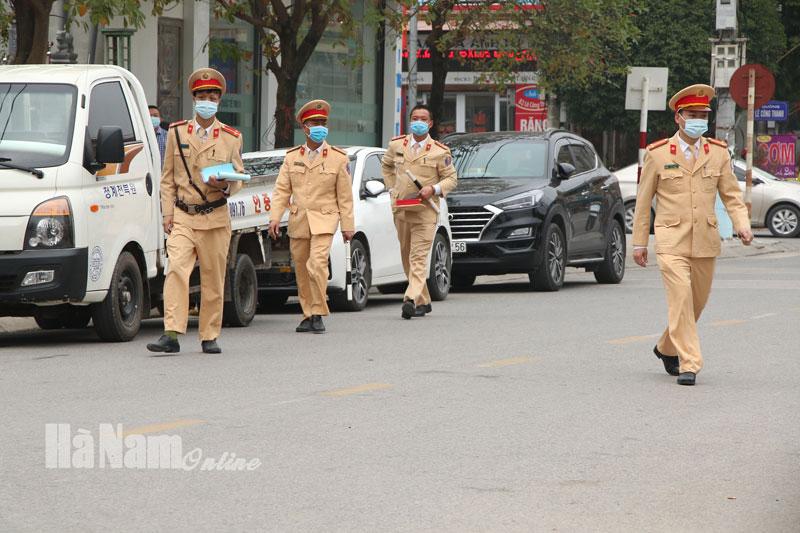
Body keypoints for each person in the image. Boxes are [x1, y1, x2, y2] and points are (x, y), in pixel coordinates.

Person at [631, 84, 754, 386]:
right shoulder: (658, 155)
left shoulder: (717, 153)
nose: (699, 119)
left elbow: (731, 195)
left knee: (695, 303)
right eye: (693, 114)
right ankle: (690, 363)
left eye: (703, 114)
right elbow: (644, 201)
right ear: (679, 118)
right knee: (681, 298)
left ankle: (665, 347)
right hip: (670, 240)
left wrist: (742, 223)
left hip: (705, 241)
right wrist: (638, 242)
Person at [147, 68, 245, 354]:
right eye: (202, 95)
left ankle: (209, 334)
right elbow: (167, 178)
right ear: (194, 98)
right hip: (184, 216)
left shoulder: (231, 137)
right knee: (175, 269)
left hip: (214, 216)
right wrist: (167, 215)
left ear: (219, 101)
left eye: (212, 96)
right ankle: (172, 333)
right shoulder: (176, 132)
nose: (207, 100)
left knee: (213, 278)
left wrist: (225, 184)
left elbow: (239, 175)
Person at [268, 99, 355, 334]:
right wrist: (274, 218)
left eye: (323, 122)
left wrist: (348, 226)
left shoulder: (338, 157)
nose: (320, 126)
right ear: (305, 127)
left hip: (325, 219)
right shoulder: (292, 157)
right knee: (302, 269)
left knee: (316, 264)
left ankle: (318, 311)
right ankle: (308, 313)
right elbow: (282, 190)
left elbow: (345, 197)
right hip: (299, 220)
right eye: (315, 122)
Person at [381, 104, 458, 319]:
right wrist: (392, 188)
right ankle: (424, 300)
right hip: (402, 209)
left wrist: (433, 189)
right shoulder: (397, 145)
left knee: (418, 257)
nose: (419, 122)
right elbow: (386, 166)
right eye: (415, 118)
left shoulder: (439, 151)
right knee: (406, 256)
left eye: (423, 119)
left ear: (430, 123)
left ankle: (410, 298)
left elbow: (451, 178)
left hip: (425, 211)